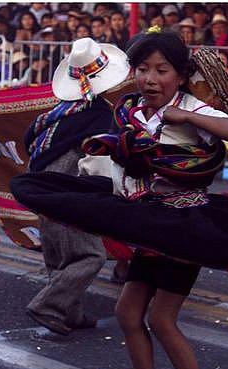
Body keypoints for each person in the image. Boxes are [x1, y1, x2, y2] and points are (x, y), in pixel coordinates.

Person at [11, 30, 228, 369]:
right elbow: (131, 150)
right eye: (143, 69)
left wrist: (188, 116)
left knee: (162, 319)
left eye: (162, 70)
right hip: (149, 223)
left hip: (182, 229)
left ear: (180, 75)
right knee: (127, 312)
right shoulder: (132, 111)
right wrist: (110, 145)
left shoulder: (191, 106)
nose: (151, 78)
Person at [21, 38, 132, 335]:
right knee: (88, 255)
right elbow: (104, 158)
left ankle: (72, 313)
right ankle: (48, 305)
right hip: (68, 195)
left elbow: (26, 139)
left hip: (41, 191)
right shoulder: (98, 117)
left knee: (59, 258)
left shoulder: (53, 115)